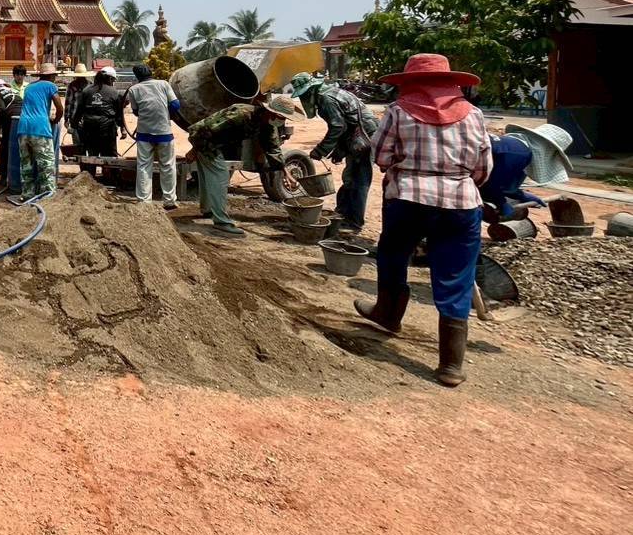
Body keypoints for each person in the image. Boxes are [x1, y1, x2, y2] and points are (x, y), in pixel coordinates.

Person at [360, 54, 492, 387]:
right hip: (460, 204)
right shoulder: (474, 116)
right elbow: (483, 168)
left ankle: (388, 314)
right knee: (455, 276)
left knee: (392, 256)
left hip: (407, 198)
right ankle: (450, 365)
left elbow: (380, 156)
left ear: (409, 84)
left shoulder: (398, 112)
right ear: (451, 84)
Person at [185, 95, 300, 238]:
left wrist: (285, 172)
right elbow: (207, 130)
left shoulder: (267, 124)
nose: (282, 121)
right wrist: (194, 150)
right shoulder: (241, 114)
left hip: (215, 142)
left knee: (207, 175)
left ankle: (208, 210)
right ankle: (222, 222)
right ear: (271, 112)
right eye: (281, 117)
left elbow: (272, 148)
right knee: (220, 176)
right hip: (203, 138)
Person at [289, 72, 379, 234]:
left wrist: (321, 150)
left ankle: (354, 222)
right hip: (355, 136)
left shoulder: (326, 99)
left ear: (310, 90)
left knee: (359, 181)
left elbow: (338, 127)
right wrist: (339, 151)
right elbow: (344, 125)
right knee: (350, 178)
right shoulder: (328, 93)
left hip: (364, 138)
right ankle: (343, 213)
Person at [126, 64, 187, 208]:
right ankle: (169, 200)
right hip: (164, 132)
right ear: (150, 73)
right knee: (167, 166)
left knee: (143, 166)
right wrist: (166, 114)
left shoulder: (133, 90)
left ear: (137, 77)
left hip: (144, 133)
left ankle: (144, 201)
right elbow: (175, 104)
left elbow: (135, 111)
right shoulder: (163, 84)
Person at [14, 63, 64, 199]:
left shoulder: (29, 87)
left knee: (26, 164)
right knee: (46, 164)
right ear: (51, 76)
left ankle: (27, 193)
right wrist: (55, 120)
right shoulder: (51, 86)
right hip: (40, 129)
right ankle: (48, 194)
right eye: (54, 76)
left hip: (22, 128)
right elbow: (59, 108)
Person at [478, 133, 548, 221]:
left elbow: (501, 183)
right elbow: (494, 184)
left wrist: (521, 195)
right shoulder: (520, 153)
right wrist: (501, 203)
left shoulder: (513, 145)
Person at [75, 66, 126, 160]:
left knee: (92, 156)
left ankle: (90, 174)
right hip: (107, 130)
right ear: (110, 78)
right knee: (110, 157)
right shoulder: (114, 92)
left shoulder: (86, 91)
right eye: (113, 80)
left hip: (89, 129)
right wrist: (123, 129)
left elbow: (79, 110)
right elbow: (119, 114)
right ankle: (109, 174)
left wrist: (74, 125)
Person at [0, 75, 23, 188]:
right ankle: (19, 177)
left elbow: (1, 111)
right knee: (20, 148)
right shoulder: (14, 92)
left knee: (5, 147)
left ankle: (3, 177)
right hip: (24, 118)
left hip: (11, 120)